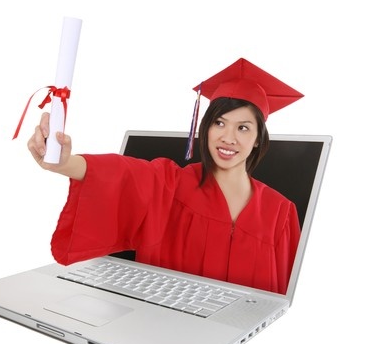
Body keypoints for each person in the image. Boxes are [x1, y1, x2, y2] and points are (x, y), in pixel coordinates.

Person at [28, 58, 303, 294]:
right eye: (219, 123)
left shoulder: (280, 213)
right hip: (162, 326)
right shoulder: (171, 185)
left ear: (258, 139)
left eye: (243, 128)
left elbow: (281, 298)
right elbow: (122, 174)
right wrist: (64, 163)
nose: (228, 137)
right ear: (205, 128)